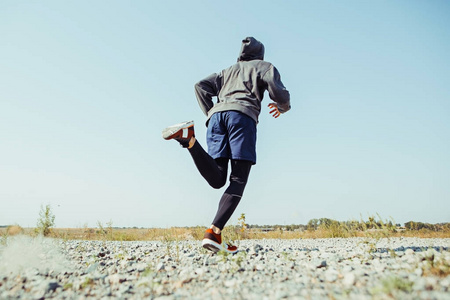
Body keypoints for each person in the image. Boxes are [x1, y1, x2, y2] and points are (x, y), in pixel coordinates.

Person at [162, 37, 290, 254]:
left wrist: (211, 113)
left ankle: (189, 140)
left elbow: (200, 86)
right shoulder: (264, 66)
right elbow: (279, 93)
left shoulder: (226, 71)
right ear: (261, 54)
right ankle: (213, 232)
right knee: (238, 179)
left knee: (218, 178)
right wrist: (283, 106)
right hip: (242, 117)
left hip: (216, 118)